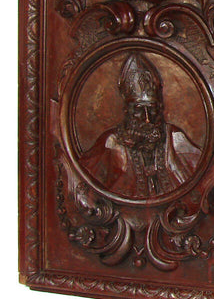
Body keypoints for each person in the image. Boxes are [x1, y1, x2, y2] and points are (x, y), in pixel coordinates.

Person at [80, 52, 203, 199]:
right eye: (139, 110)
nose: (147, 119)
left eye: (152, 109)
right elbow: (87, 186)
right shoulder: (110, 142)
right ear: (128, 111)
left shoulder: (174, 137)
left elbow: (200, 179)